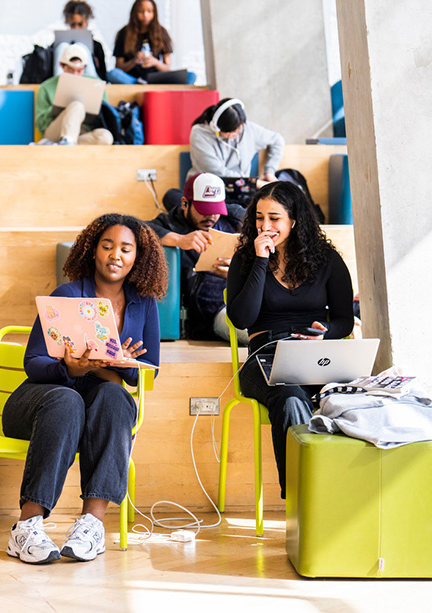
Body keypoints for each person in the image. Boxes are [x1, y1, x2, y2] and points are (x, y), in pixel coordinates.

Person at [4, 214, 167, 564]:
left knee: (116, 398)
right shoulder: (67, 294)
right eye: (107, 246)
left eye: (126, 249)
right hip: (41, 400)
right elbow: (33, 363)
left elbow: (149, 370)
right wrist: (68, 367)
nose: (115, 255)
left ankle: (92, 525)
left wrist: (124, 365)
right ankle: (26, 528)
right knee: (68, 400)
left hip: (95, 399)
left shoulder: (144, 303)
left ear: (138, 257)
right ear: (93, 251)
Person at [226, 181, 354, 497]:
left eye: (274, 218)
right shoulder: (245, 258)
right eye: (259, 218)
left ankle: (348, 493)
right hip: (266, 356)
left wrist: (326, 335)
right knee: (290, 398)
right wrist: (259, 260)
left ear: (294, 220)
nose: (265, 226)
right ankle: (303, 496)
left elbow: (344, 320)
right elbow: (241, 318)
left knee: (350, 399)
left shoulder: (326, 260)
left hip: (315, 355)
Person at [148, 173, 248, 343]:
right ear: (185, 203)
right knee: (250, 330)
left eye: (215, 211)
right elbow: (135, 229)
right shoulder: (169, 224)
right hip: (212, 311)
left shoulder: (236, 218)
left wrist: (240, 272)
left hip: (246, 299)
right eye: (204, 211)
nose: (211, 217)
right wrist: (179, 239)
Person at [188, 98, 285, 197]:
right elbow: (218, 173)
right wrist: (254, 183)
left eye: (238, 129)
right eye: (231, 132)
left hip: (243, 191)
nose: (236, 134)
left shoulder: (247, 129)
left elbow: (277, 140)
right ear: (216, 127)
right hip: (210, 192)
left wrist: (269, 172)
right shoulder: (199, 134)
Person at [34, 43, 114, 146]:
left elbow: (106, 114)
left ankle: (63, 144)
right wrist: (60, 107)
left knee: (106, 137)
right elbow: (41, 124)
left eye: (79, 70)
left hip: (84, 130)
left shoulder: (95, 84)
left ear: (85, 67)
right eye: (70, 70)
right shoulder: (46, 87)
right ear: (61, 66)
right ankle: (67, 141)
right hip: (55, 130)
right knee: (77, 105)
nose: (75, 74)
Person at [108, 0, 173, 84]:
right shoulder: (124, 33)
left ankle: (143, 84)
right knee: (112, 74)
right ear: (135, 13)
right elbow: (118, 67)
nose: (145, 15)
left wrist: (155, 62)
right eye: (141, 11)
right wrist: (135, 61)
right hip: (131, 79)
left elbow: (167, 68)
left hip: (156, 79)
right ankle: (139, 84)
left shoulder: (161, 32)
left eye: (149, 11)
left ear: (154, 13)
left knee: (191, 75)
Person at [54, 1, 108, 81]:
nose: (76, 28)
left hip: (87, 82)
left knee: (81, 46)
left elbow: (103, 74)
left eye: (80, 24)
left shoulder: (96, 46)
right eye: (73, 24)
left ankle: (93, 83)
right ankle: (59, 83)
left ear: (86, 22)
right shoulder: (60, 46)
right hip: (65, 83)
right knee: (62, 46)